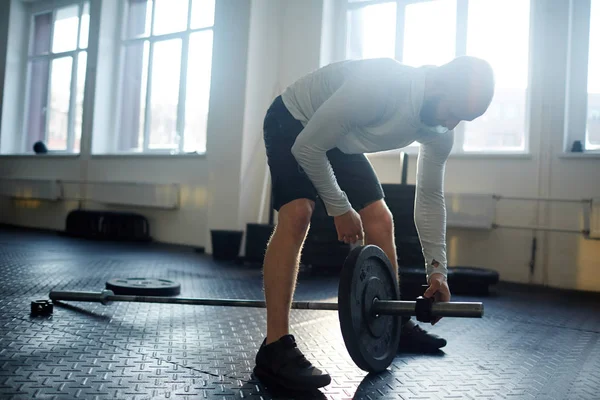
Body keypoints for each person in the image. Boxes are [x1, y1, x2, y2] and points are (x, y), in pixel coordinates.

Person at [253, 56, 495, 391]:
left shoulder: (440, 129)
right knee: (298, 214)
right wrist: (339, 207)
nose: (452, 125)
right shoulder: (381, 87)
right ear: (438, 84)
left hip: (339, 133)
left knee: (380, 219)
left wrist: (437, 272)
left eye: (462, 119)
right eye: (453, 112)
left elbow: (429, 198)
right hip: (295, 119)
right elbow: (307, 147)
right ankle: (274, 347)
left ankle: (396, 321)